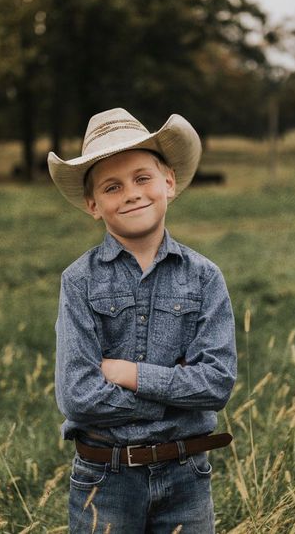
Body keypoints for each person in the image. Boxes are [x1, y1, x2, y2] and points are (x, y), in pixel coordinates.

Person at [48, 108, 237, 533]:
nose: (131, 193)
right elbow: (78, 395)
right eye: (112, 187)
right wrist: (175, 392)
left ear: (168, 181)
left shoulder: (204, 277)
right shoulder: (79, 281)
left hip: (187, 475)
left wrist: (129, 373)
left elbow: (217, 383)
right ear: (93, 204)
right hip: (105, 478)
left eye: (142, 178)